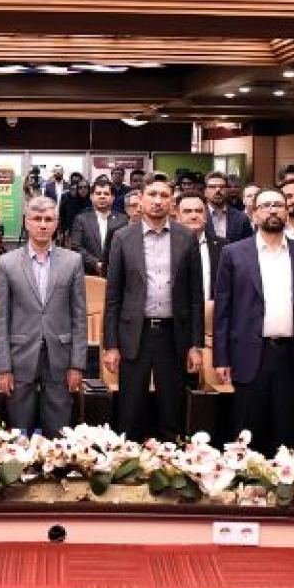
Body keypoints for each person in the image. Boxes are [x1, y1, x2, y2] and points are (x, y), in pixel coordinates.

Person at [212, 187, 294, 454]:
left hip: (292, 356)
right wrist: (221, 358)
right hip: (249, 354)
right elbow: (222, 311)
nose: (272, 210)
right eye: (265, 206)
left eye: (278, 205)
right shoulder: (233, 253)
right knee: (247, 436)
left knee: (287, 436)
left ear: (287, 212)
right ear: (253, 214)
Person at [102, 179, 204, 441]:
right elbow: (113, 297)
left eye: (164, 195)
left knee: (172, 409)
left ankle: (170, 461)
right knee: (130, 410)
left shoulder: (186, 237)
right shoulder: (122, 237)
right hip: (135, 335)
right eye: (152, 194)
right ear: (141, 198)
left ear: (172, 201)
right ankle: (128, 460)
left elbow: (196, 296)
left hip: (174, 335)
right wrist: (111, 345)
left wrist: (196, 345)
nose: (158, 201)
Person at [0, 196, 87, 437]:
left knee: (59, 433)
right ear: (26, 222)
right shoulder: (7, 263)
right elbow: (1, 319)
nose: (43, 225)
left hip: (60, 356)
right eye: (37, 219)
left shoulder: (73, 261)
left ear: (56, 223)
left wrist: (77, 364)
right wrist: (3, 367)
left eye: (48, 219)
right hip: (20, 356)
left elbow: (79, 316)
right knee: (19, 433)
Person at [70, 179, 128, 276]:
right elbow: (76, 247)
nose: (102, 196)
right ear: (91, 197)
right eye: (98, 193)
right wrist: (95, 263)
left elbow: (126, 247)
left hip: (117, 273)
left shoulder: (123, 219)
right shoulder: (81, 219)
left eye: (106, 194)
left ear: (112, 197)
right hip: (89, 274)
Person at [177, 193, 226, 300]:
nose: (194, 216)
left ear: (206, 215)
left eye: (199, 211)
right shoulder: (167, 247)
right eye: (187, 211)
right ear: (178, 217)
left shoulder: (224, 248)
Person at [204, 171, 253, 244]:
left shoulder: (241, 218)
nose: (218, 190)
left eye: (222, 187)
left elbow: (249, 245)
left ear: (227, 190)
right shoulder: (198, 215)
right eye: (212, 187)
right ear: (205, 191)